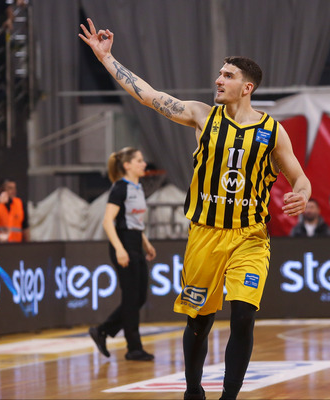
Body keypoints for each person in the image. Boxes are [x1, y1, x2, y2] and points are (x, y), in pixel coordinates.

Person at [80, 18, 311, 400]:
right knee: (199, 322)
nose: (218, 80)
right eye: (219, 73)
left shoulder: (272, 131)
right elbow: (148, 95)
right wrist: (107, 59)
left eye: (227, 75)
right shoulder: (202, 116)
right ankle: (193, 391)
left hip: (250, 237)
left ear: (247, 87)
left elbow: (300, 178)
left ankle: (229, 396)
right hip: (204, 235)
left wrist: (302, 193)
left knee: (243, 315)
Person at [88, 147, 157, 362]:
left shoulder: (138, 187)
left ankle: (103, 330)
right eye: (139, 160)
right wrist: (119, 249)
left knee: (139, 297)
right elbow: (108, 221)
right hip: (123, 243)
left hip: (135, 242)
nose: (143, 164)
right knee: (130, 298)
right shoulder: (120, 188)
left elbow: (135, 221)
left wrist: (146, 243)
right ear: (127, 165)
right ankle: (133, 348)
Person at [0, 178, 30, 242]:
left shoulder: (20, 204)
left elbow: (25, 227)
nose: (13, 191)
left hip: (16, 244)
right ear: (2, 190)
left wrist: (29, 243)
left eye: (14, 188)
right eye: (10, 188)